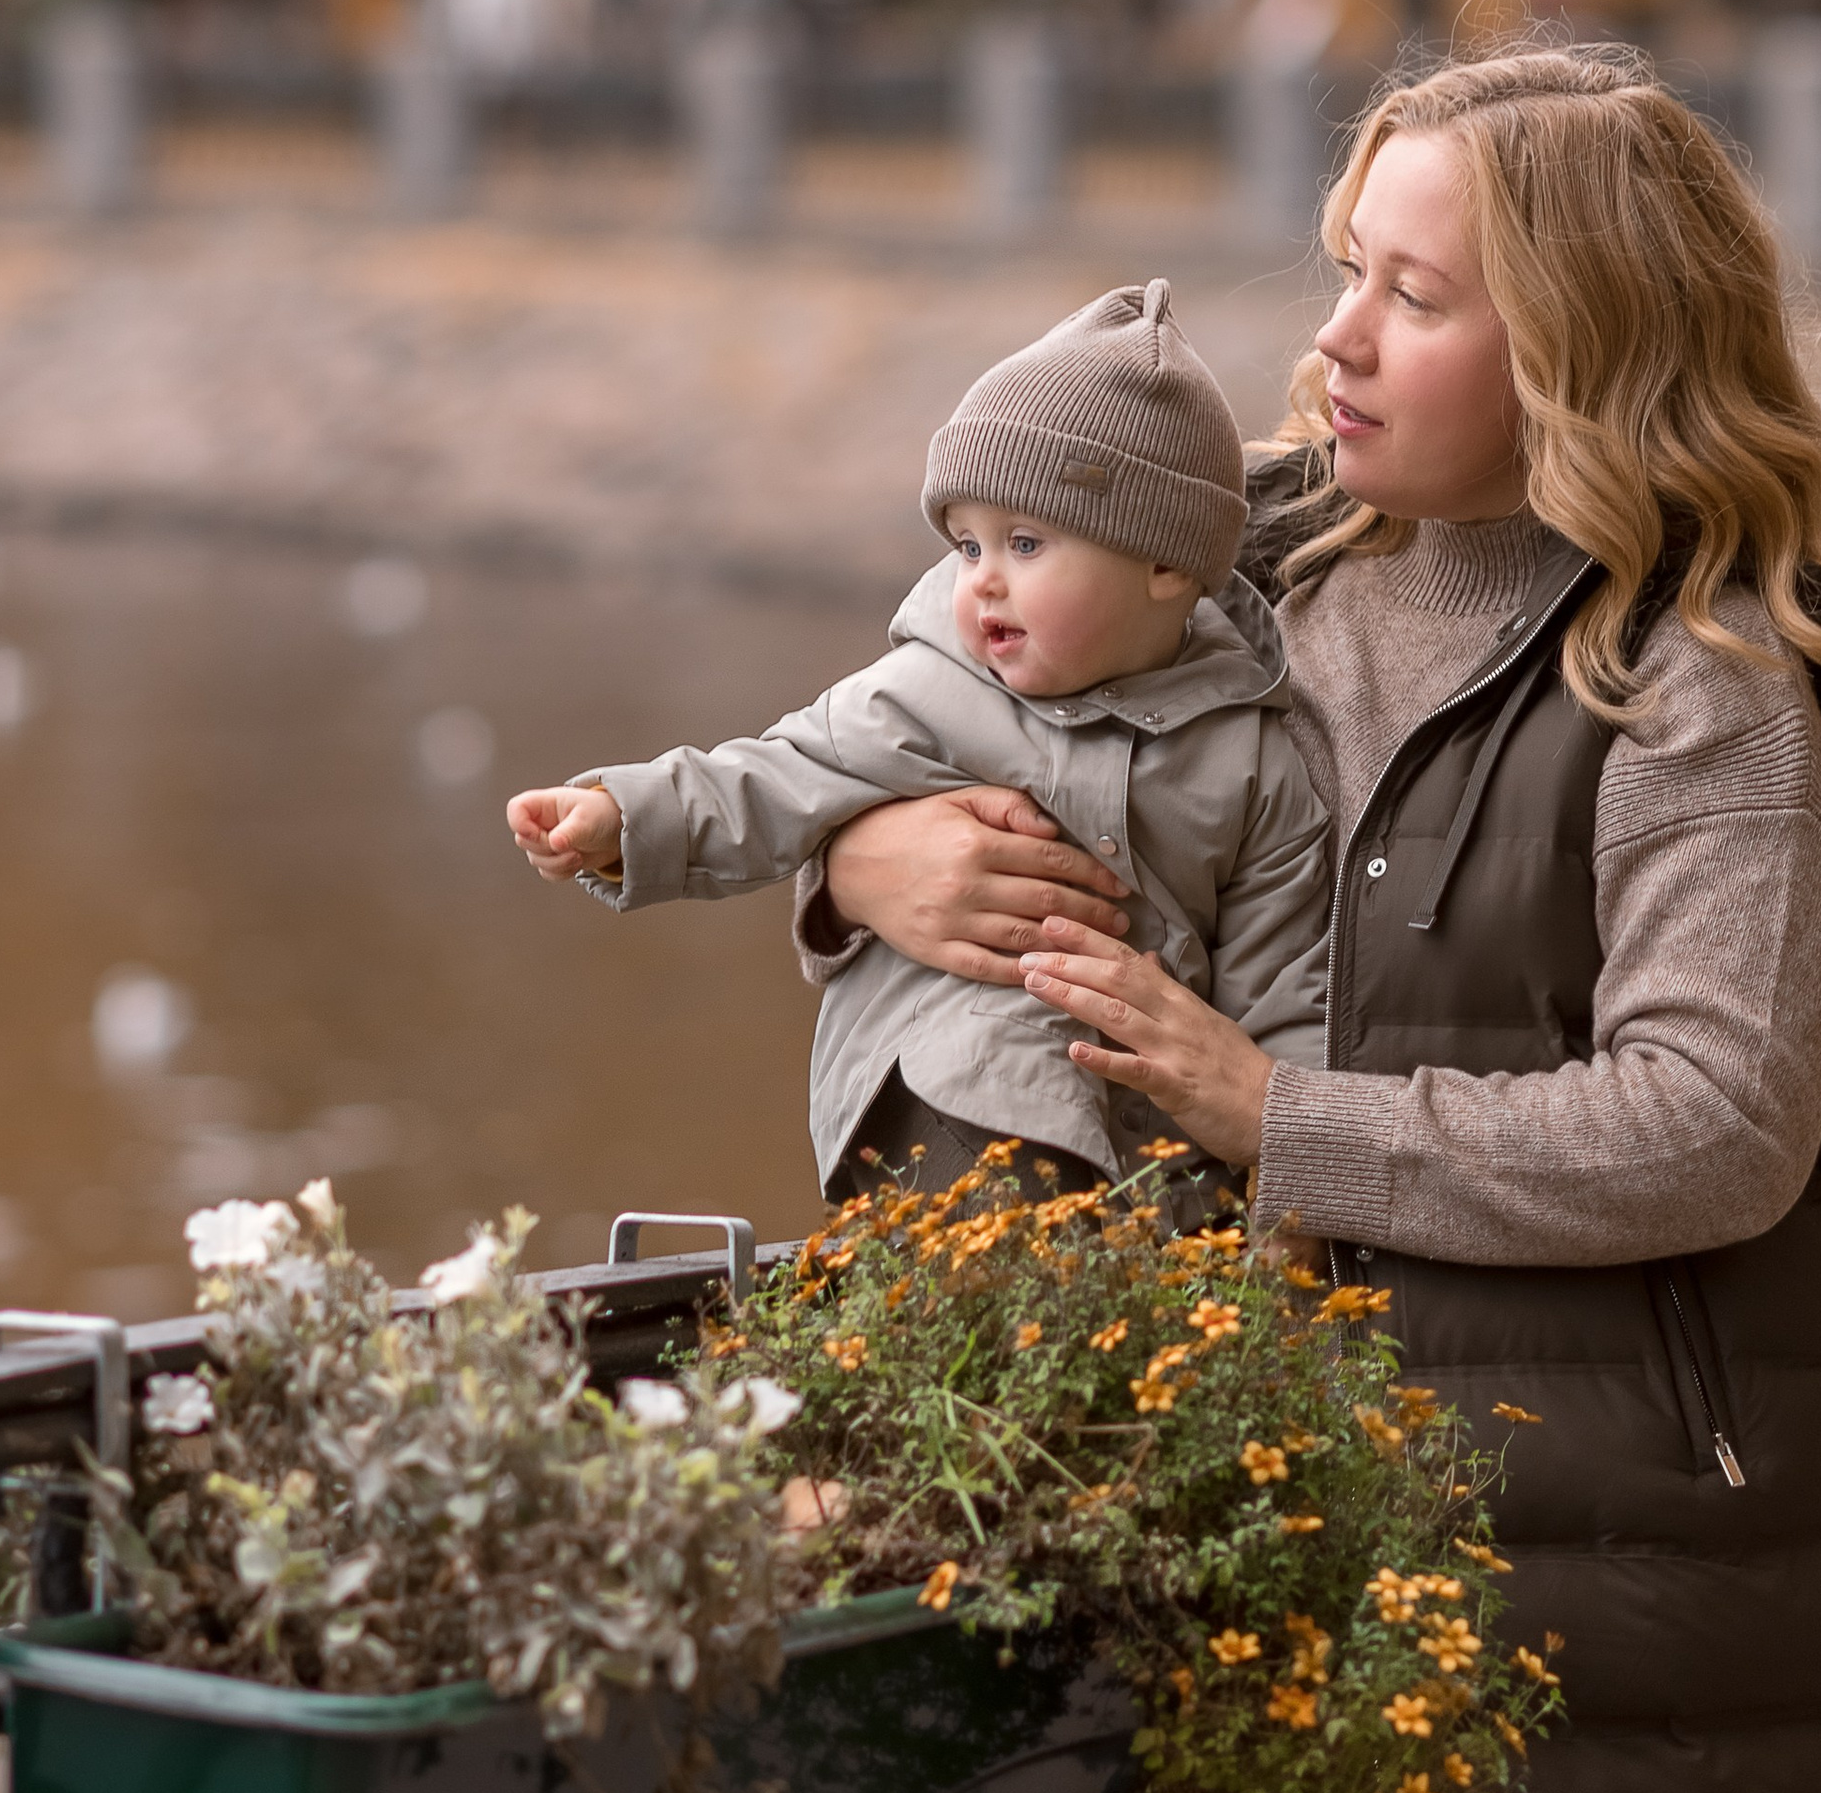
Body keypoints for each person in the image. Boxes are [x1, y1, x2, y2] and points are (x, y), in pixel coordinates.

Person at [801, 47, 1821, 1793]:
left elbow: (1710, 1123)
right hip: (1311, 1541)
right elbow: (947, 692)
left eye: (1410, 294)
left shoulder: (1705, 678)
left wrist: (1270, 1111)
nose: (1328, 337)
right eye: (1343, 267)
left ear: (1579, 346)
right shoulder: (1256, 565)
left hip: (1598, 1585)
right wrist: (865, 860)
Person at [502, 280, 1330, 1198]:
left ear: (1167, 563)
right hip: (945, 1080)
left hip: (1148, 1142)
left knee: (1147, 1232)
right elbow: (773, 779)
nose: (982, 581)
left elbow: (1284, 984)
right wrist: (622, 821)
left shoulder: (1254, 757)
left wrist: (1288, 1193)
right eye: (967, 546)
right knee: (993, 1116)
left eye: (1024, 544)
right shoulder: (926, 693)